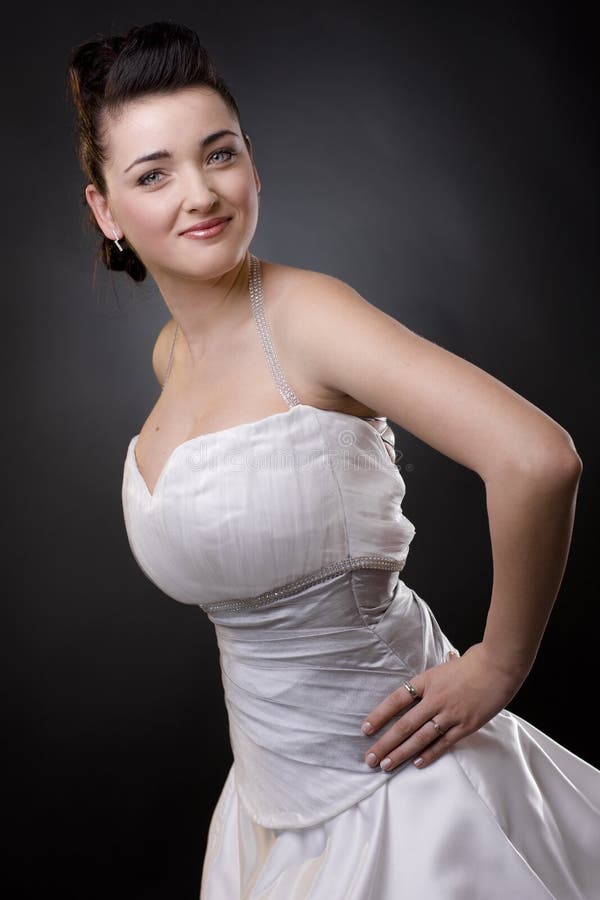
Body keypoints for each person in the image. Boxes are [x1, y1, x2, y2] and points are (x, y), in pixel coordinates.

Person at [67, 20, 600, 899]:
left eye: (220, 154)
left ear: (252, 161)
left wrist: (499, 665)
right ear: (106, 210)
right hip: (269, 809)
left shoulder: (308, 317)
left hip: (402, 796)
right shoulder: (173, 354)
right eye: (153, 174)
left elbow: (538, 459)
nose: (200, 193)